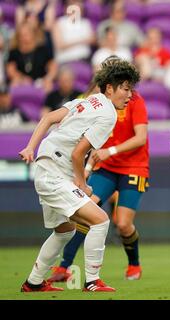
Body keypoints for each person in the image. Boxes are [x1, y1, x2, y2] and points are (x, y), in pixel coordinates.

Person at [18, 58, 140, 292]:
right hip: (56, 172)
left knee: (65, 231)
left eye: (131, 89)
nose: (129, 95)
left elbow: (48, 118)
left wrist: (30, 146)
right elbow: (78, 154)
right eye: (125, 88)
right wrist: (82, 184)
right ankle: (93, 281)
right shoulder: (108, 115)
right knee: (101, 220)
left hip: (46, 166)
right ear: (110, 88)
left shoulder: (88, 101)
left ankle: (33, 282)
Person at [48, 66, 149, 283]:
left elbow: (141, 138)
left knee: (122, 224)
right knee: (87, 211)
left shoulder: (135, 100)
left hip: (134, 167)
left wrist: (108, 151)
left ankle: (134, 263)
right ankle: (64, 267)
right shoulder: (95, 102)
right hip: (107, 167)